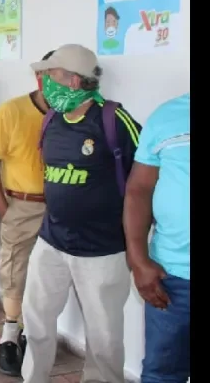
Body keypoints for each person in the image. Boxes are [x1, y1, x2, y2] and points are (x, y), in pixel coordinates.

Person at [22, 44, 142, 383]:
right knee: (37, 323)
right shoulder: (51, 120)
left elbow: (144, 180)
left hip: (102, 250)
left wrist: (139, 244)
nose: (44, 83)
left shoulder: (114, 120)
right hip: (51, 242)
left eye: (50, 76)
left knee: (104, 340)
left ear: (74, 81)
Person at [0, 50, 54, 376]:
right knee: (15, 269)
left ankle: (36, 334)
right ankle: (10, 335)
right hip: (22, 205)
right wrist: (1, 207)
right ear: (41, 78)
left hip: (64, 207)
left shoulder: (78, 113)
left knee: (53, 273)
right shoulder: (11, 111)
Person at [123, 93, 190, 383]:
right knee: (162, 374)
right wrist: (139, 260)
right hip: (173, 278)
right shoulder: (167, 115)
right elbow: (139, 189)